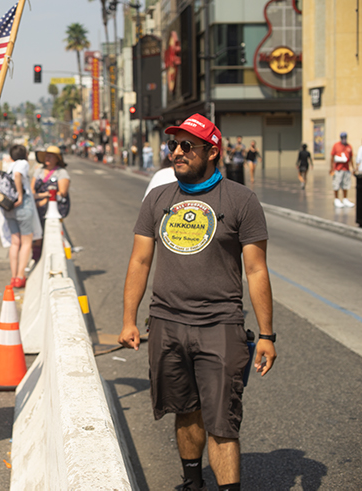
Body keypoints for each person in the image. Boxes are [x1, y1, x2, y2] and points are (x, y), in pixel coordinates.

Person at [118, 113, 276, 491]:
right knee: (185, 409)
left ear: (212, 151)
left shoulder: (241, 200)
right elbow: (140, 260)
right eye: (173, 145)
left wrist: (268, 334)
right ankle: (192, 481)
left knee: (222, 420)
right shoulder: (158, 198)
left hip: (220, 325)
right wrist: (128, 320)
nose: (177, 152)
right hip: (166, 323)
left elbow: (256, 271)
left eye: (187, 146)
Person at [3, 145, 34, 289]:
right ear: (26, 154)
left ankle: (13, 276)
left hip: (9, 208)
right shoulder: (23, 164)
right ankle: (20, 277)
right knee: (26, 242)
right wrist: (20, 196)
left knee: (15, 242)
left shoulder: (10, 165)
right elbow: (17, 175)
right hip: (22, 207)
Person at [31, 145, 70, 223]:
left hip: (52, 207)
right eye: (47, 156)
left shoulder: (61, 172)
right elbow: (32, 188)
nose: (48, 158)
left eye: (51, 156)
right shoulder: (39, 170)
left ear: (57, 159)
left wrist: (43, 202)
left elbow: (62, 192)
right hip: (36, 207)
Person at [330, 132, 355, 208]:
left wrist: (353, 168)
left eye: (345, 137)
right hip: (338, 169)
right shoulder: (336, 145)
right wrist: (332, 168)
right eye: (342, 138)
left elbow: (351, 158)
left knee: (346, 184)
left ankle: (345, 199)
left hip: (346, 169)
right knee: (337, 184)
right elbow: (332, 157)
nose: (344, 139)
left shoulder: (349, 146)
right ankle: (336, 199)